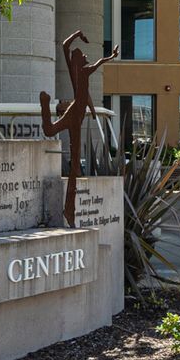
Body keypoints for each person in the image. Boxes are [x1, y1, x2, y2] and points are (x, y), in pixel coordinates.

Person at [40, 29, 117, 228]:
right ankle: (45, 106)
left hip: (78, 115)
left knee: (73, 164)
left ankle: (69, 210)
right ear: (77, 60)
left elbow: (86, 96)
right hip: (75, 114)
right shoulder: (81, 71)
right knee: (54, 136)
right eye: (82, 55)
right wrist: (109, 56)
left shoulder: (79, 77)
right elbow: (70, 48)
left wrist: (91, 111)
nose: (85, 56)